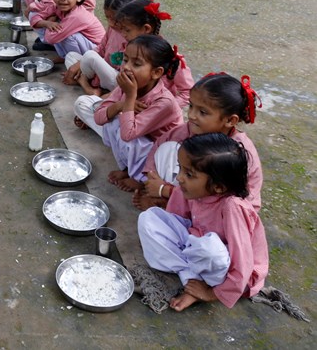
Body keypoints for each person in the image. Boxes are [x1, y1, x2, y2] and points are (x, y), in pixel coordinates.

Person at [138, 133, 268, 311]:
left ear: (219, 187)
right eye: (181, 169)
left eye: (189, 174)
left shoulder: (232, 207)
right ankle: (190, 277)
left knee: (209, 249)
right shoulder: (195, 191)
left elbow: (242, 265)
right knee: (149, 218)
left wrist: (211, 294)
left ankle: (202, 288)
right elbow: (175, 222)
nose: (179, 178)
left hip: (223, 265)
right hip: (197, 245)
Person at [136, 73, 263, 212]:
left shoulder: (238, 151)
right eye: (191, 106)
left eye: (202, 112)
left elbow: (238, 199)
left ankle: (175, 206)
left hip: (216, 210)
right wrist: (150, 179)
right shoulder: (188, 130)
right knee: (168, 149)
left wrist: (164, 190)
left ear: (230, 121)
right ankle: (167, 200)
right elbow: (158, 147)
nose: (191, 115)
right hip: (189, 192)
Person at [75, 35, 185, 191]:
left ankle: (142, 178)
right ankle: (128, 168)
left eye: (137, 63)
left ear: (156, 72)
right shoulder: (127, 85)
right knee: (109, 118)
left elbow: (128, 135)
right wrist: (121, 105)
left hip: (163, 157)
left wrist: (130, 97)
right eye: (125, 60)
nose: (126, 67)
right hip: (139, 142)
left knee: (126, 131)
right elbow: (99, 118)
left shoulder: (164, 101)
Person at [114, 0, 194, 106]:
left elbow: (188, 93)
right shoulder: (131, 48)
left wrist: (161, 108)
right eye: (126, 60)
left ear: (146, 29)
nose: (123, 34)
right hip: (130, 99)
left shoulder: (171, 57)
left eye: (127, 30)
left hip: (152, 110)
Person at [64, 0, 137, 95]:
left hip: (118, 80)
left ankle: (85, 83)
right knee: (71, 56)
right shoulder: (112, 29)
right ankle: (86, 82)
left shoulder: (132, 35)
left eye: (116, 20)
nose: (111, 23)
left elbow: (126, 73)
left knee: (89, 56)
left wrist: (91, 66)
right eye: (108, 18)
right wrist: (80, 64)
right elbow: (101, 48)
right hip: (101, 71)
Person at [32, 0, 105, 58]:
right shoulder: (56, 7)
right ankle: (66, 57)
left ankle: (77, 61)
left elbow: (50, 39)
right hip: (87, 46)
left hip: (98, 52)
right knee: (58, 29)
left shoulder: (77, 15)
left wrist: (51, 20)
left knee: (67, 35)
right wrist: (47, 23)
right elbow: (34, 18)